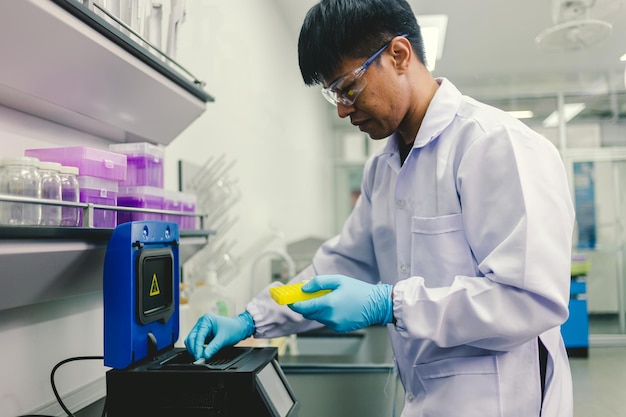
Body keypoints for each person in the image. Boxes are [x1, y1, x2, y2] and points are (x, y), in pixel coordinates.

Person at [186, 0, 575, 415]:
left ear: (399, 55)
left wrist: (390, 304)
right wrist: (251, 319)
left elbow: (531, 299)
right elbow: (340, 266)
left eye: (348, 87)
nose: (341, 109)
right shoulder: (383, 169)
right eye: (332, 94)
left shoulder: (495, 145)